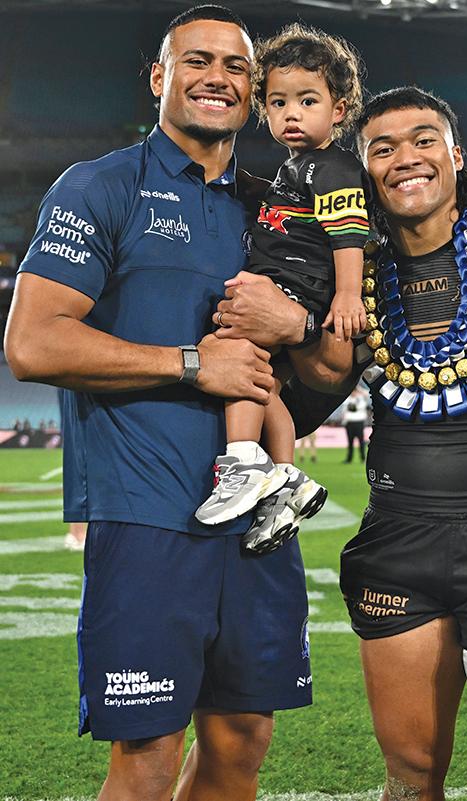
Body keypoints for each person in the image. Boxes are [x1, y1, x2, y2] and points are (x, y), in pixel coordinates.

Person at [220, 86, 467, 801]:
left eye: (423, 139)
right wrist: (293, 328)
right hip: (396, 547)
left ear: (456, 155)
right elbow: (310, 402)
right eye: (382, 148)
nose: (404, 157)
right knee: (409, 776)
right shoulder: (353, 272)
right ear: (364, 171)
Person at [3, 6, 352, 801]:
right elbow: (32, 344)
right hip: (147, 514)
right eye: (197, 60)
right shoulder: (100, 186)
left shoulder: (274, 204)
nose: (217, 77)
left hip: (256, 519)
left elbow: (333, 366)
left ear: (253, 93)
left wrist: (295, 325)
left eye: (236, 67)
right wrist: (194, 363)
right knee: (149, 753)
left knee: (241, 738)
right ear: (160, 77)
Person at [195, 23, 369, 552]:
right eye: (278, 102)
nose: (291, 114)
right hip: (289, 280)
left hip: (297, 285)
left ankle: (244, 461)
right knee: (262, 380)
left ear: (339, 110)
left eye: (307, 101)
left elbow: (348, 233)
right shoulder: (299, 167)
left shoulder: (334, 167)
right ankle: (285, 480)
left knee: (231, 351)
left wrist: (347, 294)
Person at [341, 385, 370, 462]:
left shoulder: (361, 398)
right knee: (350, 441)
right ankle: (349, 458)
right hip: (349, 422)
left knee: (361, 441)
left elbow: (368, 393)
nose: (353, 393)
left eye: (355, 391)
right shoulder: (348, 399)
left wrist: (359, 388)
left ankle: (363, 458)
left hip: (359, 422)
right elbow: (345, 410)